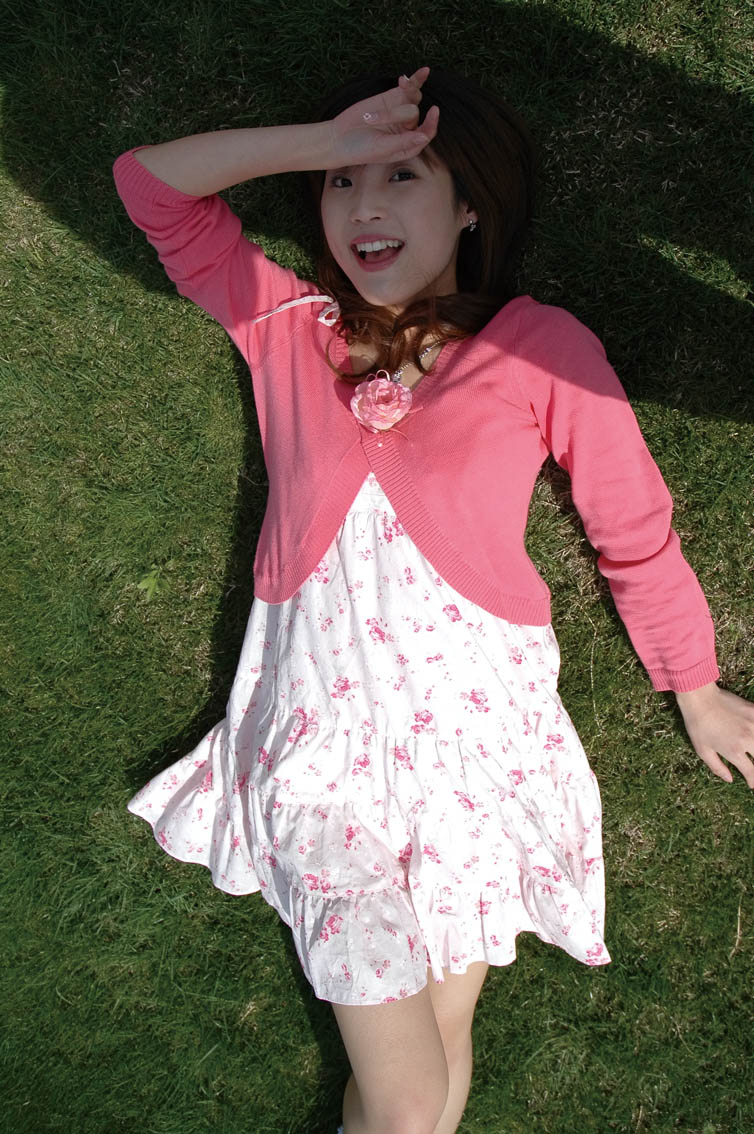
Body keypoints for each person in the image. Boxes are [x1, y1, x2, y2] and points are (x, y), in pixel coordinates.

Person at [113, 65, 754, 1134]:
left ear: (469, 209)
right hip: (321, 765)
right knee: (410, 1104)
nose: (363, 205)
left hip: (478, 759)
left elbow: (631, 524)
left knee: (438, 1066)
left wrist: (694, 686)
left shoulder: (539, 347)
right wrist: (322, 141)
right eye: (342, 184)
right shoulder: (287, 326)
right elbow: (150, 188)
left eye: (402, 176)